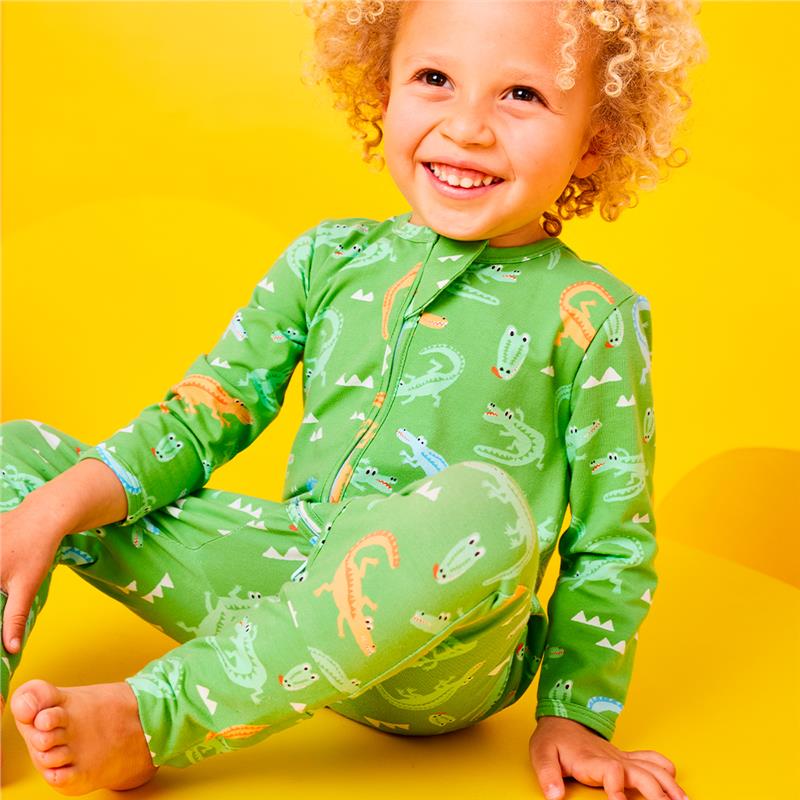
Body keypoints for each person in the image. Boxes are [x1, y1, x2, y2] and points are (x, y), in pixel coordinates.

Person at [0, 0, 706, 797]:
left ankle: (158, 719)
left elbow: (614, 540)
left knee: (484, 503)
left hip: (447, 656)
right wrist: (53, 511)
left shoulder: (595, 314)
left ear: (596, 139)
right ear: (382, 88)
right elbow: (199, 418)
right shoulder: (326, 259)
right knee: (18, 459)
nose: (467, 127)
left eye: (522, 95)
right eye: (434, 78)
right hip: (285, 595)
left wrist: (577, 715)